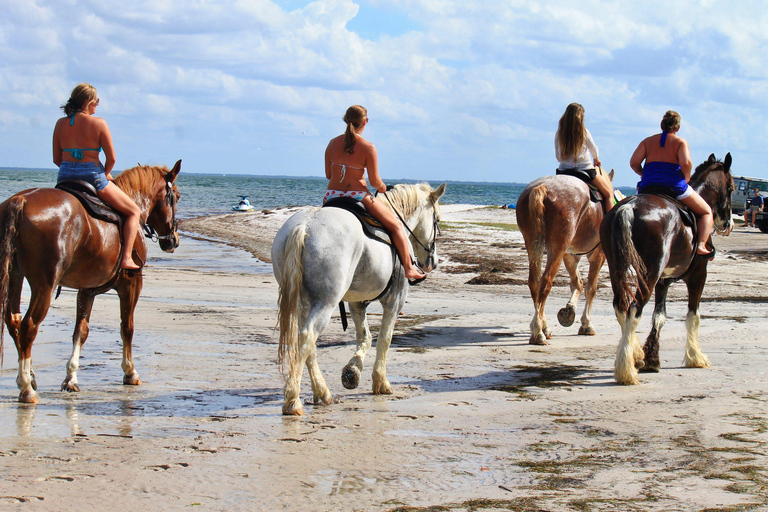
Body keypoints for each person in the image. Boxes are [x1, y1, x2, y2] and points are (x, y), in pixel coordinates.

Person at [324, 105, 426, 282]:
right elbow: (374, 182)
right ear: (365, 122)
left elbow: (328, 175)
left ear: (345, 120)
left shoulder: (332, 143)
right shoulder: (368, 147)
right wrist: (382, 188)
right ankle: (409, 269)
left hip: (331, 196)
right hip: (357, 196)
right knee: (395, 226)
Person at [53, 83, 141, 270]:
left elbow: (56, 159)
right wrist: (106, 173)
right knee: (134, 211)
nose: (97, 105)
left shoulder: (60, 124)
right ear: (87, 102)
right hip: (92, 176)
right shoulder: (99, 123)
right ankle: (126, 258)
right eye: (96, 101)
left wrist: (71, 168)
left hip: (65, 177)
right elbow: (112, 158)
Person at [630, 110, 714, 258]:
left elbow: (634, 163)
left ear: (661, 125)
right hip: (674, 186)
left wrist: (644, 174)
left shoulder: (647, 142)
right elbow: (685, 162)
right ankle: (701, 245)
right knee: (706, 212)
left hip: (648, 186)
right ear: (677, 128)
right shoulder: (680, 142)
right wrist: (686, 177)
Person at [554, 103, 614, 215]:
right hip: (585, 170)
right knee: (609, 193)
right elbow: (594, 150)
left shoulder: (559, 133)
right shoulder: (584, 132)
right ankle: (611, 227)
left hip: (563, 171)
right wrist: (596, 159)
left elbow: (558, 156)